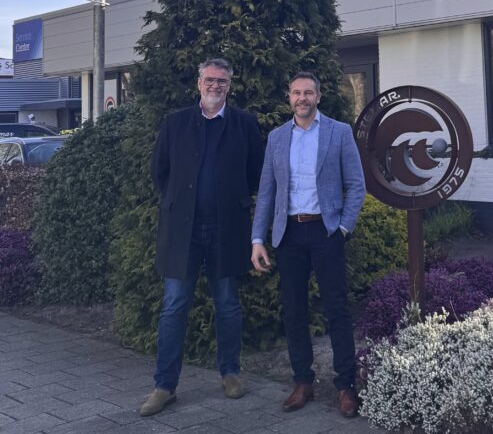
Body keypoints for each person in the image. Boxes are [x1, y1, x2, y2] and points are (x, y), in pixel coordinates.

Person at [139, 58, 265, 417]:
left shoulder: (244, 124)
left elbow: (256, 173)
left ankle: (230, 373)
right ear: (199, 83)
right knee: (174, 306)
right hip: (183, 230)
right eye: (210, 80)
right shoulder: (175, 123)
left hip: (227, 228)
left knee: (227, 304)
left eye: (222, 81)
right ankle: (165, 385)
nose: (215, 86)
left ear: (229, 85)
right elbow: (160, 171)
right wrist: (179, 202)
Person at [251, 71, 366, 418]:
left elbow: (356, 185)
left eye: (308, 93)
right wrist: (258, 239)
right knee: (294, 310)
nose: (302, 98)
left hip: (326, 231)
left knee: (337, 309)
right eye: (296, 93)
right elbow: (267, 192)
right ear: (289, 97)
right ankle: (303, 381)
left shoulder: (339, 132)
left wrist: (343, 228)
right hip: (289, 235)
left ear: (318, 96)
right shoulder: (277, 138)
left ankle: (346, 385)